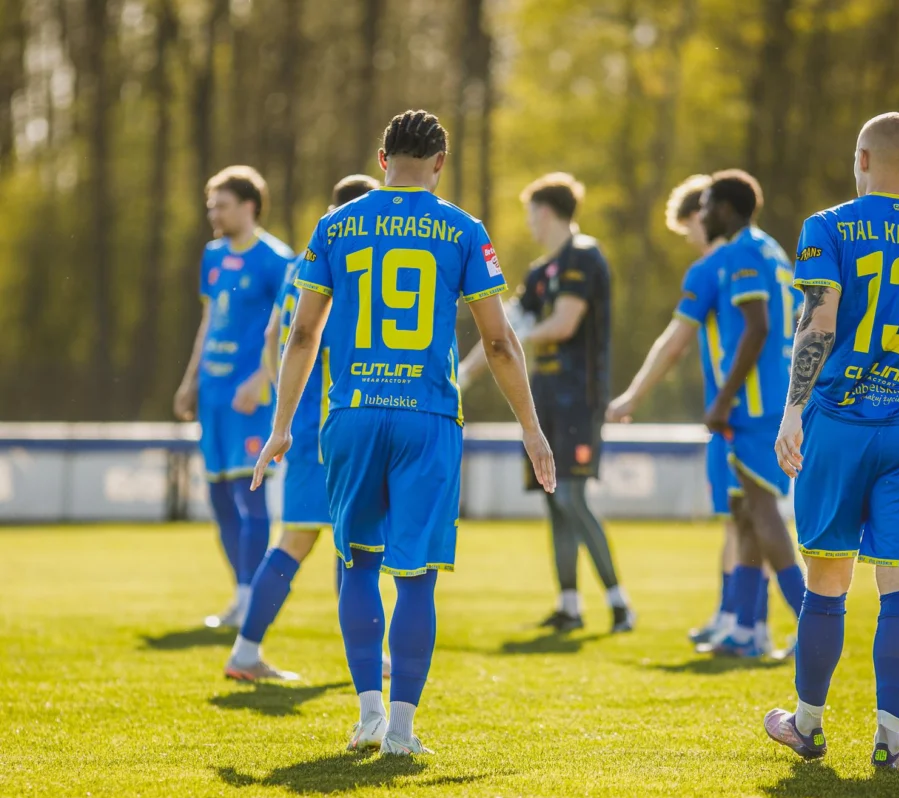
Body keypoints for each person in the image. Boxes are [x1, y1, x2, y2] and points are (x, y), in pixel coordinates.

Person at [251, 110, 555, 756]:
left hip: (353, 412)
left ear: (382, 157)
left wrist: (281, 426)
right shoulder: (463, 229)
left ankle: (367, 715)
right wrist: (531, 428)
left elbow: (302, 335)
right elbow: (499, 342)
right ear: (440, 163)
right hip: (428, 416)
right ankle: (402, 730)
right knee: (416, 575)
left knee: (358, 562)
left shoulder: (336, 225)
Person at [765, 112, 899, 769]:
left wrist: (792, 411)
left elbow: (819, 322)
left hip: (840, 421)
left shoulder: (828, 226)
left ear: (861, 159)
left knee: (828, 580)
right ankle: (889, 743)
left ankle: (808, 724)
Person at [461, 173, 635, 634]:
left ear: (544, 212)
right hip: (545, 400)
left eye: (530, 213)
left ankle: (619, 603)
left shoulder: (584, 256)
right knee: (554, 498)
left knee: (574, 496)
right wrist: (461, 376)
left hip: (580, 398)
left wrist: (516, 337)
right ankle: (569, 605)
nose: (529, 223)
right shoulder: (539, 273)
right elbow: (501, 329)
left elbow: (562, 323)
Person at [224, 174, 381, 682]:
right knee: (319, 541)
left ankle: (254, 651)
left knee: (333, 538)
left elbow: (275, 334)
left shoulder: (301, 262)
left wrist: (282, 401)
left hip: (306, 421)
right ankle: (247, 652)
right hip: (334, 424)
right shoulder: (353, 258)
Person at [607, 174, 749, 646]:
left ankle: (748, 622)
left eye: (688, 227)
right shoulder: (764, 258)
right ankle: (732, 614)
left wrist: (632, 396)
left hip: (739, 414)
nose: (689, 238)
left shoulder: (717, 268)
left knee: (749, 521)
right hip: (760, 411)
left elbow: (674, 343)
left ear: (703, 216)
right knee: (740, 520)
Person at [692, 170, 807, 658]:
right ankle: (747, 628)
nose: (700, 215)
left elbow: (757, 327)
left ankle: (812, 623)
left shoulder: (742, 252)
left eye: (705, 205)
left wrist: (723, 398)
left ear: (724, 208)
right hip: (771, 397)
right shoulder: (771, 249)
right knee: (743, 513)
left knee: (761, 510)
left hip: (755, 405)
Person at [174, 166, 294, 629]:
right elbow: (209, 322)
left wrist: (263, 378)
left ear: (249, 206)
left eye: (221, 205)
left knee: (251, 494)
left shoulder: (276, 259)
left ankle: (251, 598)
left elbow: (291, 328)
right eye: (211, 206)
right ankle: (241, 592)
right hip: (213, 393)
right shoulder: (212, 256)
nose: (213, 214)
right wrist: (190, 381)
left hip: (251, 398)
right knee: (220, 496)